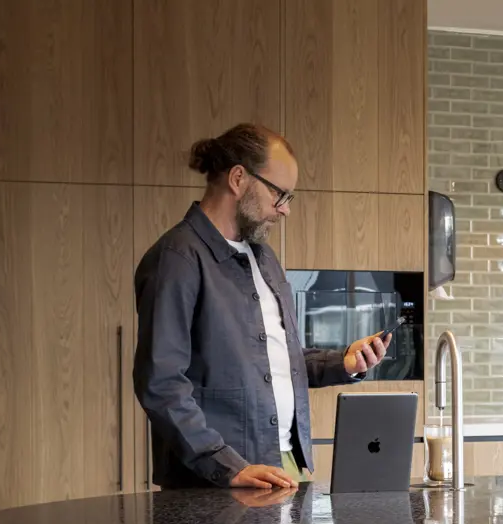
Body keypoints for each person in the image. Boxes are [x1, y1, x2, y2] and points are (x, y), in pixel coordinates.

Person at [133, 123, 389, 490]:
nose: (284, 210)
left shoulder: (263, 258)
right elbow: (161, 383)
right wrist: (227, 466)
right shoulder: (178, 258)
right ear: (238, 178)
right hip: (217, 481)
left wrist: (342, 363)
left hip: (282, 465)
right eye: (279, 194)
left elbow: (275, 359)